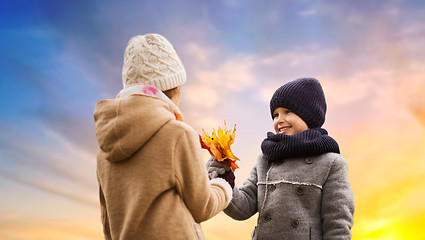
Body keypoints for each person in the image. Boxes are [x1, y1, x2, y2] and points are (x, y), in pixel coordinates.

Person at [94, 33, 233, 240]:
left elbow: (108, 226)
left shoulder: (104, 152)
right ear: (175, 87)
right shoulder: (178, 135)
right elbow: (202, 207)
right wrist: (223, 184)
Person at [208, 78, 355, 239]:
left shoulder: (331, 163)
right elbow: (243, 207)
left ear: (309, 115)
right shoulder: (265, 160)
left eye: (287, 111)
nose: (279, 120)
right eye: (275, 115)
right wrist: (225, 178)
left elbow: (338, 223)